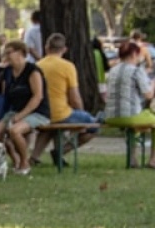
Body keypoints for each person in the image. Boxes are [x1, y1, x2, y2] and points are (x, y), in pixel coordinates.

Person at [30, 33, 98, 164]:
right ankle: (61, 151)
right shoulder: (67, 66)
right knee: (94, 125)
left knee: (50, 127)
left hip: (41, 113)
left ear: (46, 48)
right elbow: (75, 98)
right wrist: (81, 114)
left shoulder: (37, 66)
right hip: (61, 113)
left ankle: (34, 157)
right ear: (64, 49)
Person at [0, 39, 50, 175]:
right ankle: (15, 158)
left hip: (37, 112)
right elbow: (5, 94)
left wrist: (21, 116)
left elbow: (38, 97)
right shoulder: (8, 72)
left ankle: (24, 162)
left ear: (21, 53)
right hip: (15, 110)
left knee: (15, 131)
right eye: (4, 53)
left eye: (9, 52)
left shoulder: (32, 71)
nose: (6, 56)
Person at [103, 39, 155, 168]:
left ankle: (133, 159)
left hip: (110, 116)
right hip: (129, 115)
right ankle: (153, 160)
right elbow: (148, 95)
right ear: (133, 54)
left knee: (138, 122)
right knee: (146, 119)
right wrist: (153, 84)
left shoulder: (113, 71)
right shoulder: (136, 71)